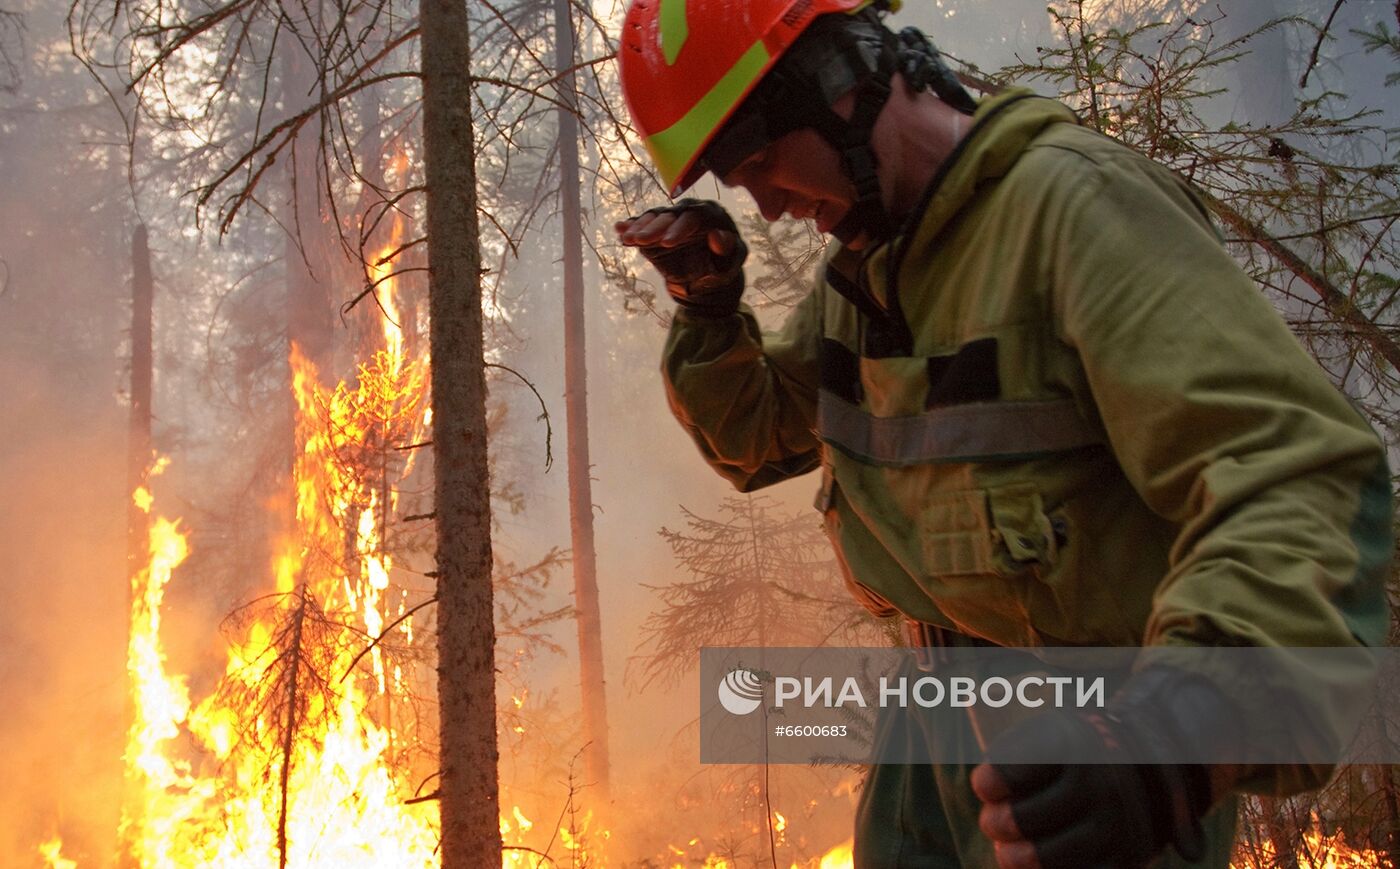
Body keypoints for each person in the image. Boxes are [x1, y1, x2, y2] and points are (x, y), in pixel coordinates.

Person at [612, 0, 1394, 866]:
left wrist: (1172, 740)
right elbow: (761, 437)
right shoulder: (874, 268)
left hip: (1087, 748)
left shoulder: (1074, 211)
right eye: (733, 177)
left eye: (759, 159)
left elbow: (1294, 478)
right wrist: (710, 310)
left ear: (839, 84)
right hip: (931, 740)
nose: (763, 202)